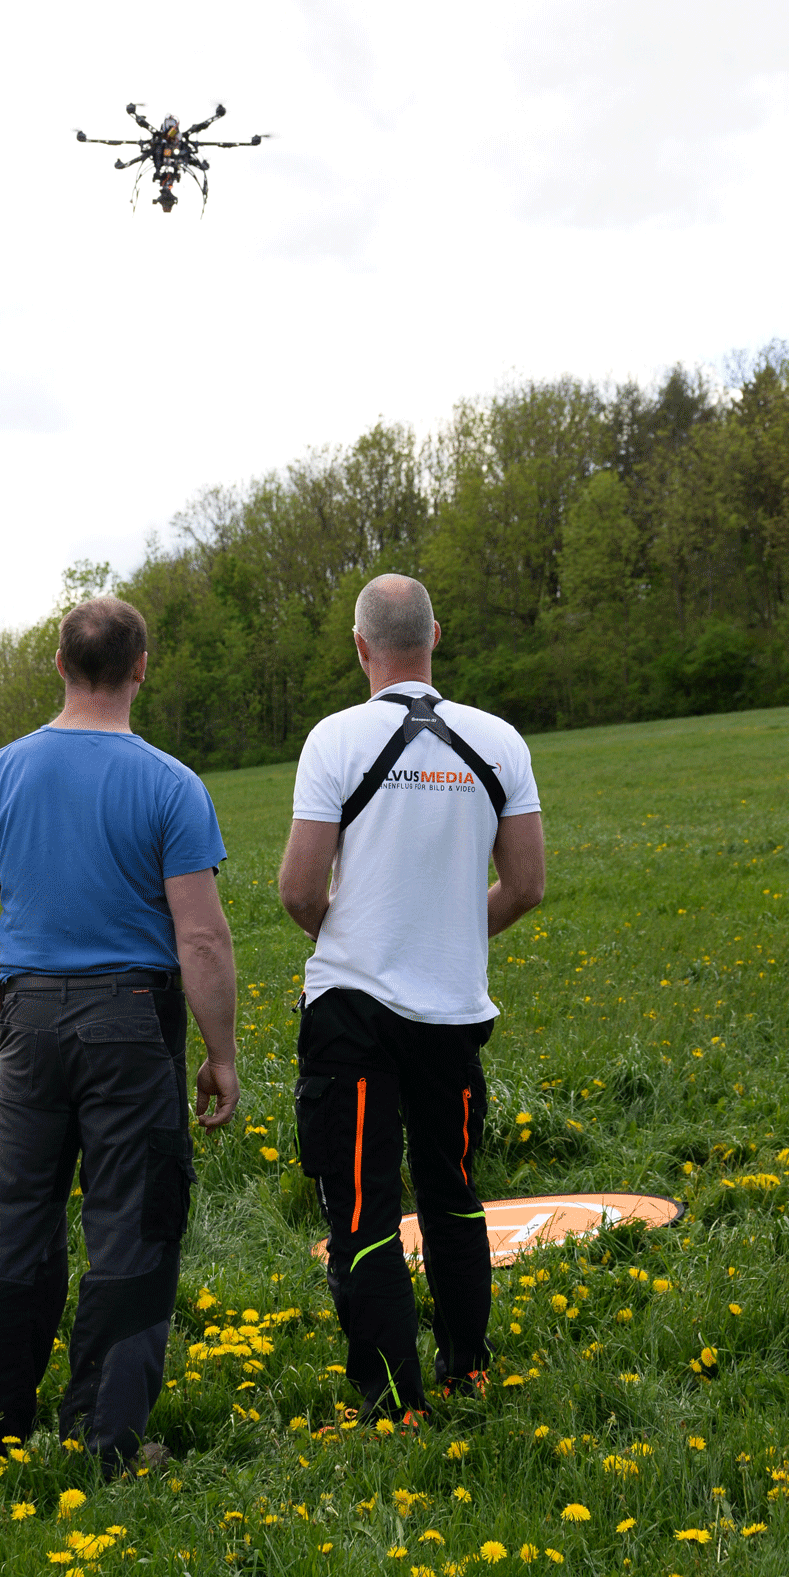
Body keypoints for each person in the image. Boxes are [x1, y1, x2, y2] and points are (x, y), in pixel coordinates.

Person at [0, 597, 239, 1471]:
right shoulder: (171, 783)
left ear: (59, 664)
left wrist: (7, 1024)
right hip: (133, 1023)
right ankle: (106, 1440)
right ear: (142, 666)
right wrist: (220, 1054)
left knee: (13, 1221)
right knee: (132, 1225)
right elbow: (202, 936)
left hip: (28, 1015)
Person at [278, 574, 545, 1422]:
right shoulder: (500, 740)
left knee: (362, 1214)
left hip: (351, 1013)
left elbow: (296, 888)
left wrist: (357, 939)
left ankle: (394, 1402)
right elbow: (527, 885)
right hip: (452, 1014)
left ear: (360, 646)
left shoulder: (335, 739)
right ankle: (468, 1367)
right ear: (438, 633)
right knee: (456, 1196)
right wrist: (450, 934)